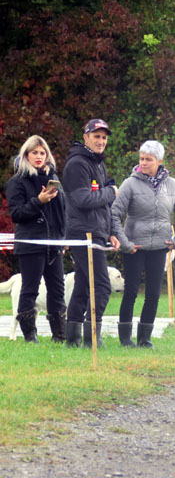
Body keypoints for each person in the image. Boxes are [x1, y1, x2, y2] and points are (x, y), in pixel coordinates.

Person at [111, 140, 175, 348]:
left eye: (148, 159)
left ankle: (144, 339)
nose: (144, 163)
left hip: (159, 248)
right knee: (130, 292)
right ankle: (125, 339)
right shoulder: (129, 184)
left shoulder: (173, 185)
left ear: (160, 161)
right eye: (141, 159)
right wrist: (124, 243)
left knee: (153, 294)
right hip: (134, 248)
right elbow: (114, 214)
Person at [63, 118, 120, 348]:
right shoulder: (77, 164)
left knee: (84, 285)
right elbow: (83, 199)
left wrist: (113, 232)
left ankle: (72, 338)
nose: (101, 141)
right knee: (103, 286)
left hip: (96, 233)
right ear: (85, 137)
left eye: (104, 137)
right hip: (82, 233)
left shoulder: (97, 163)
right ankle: (92, 338)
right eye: (96, 136)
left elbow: (105, 205)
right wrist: (111, 192)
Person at [5, 135, 67, 343]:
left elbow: (62, 214)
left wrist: (62, 239)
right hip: (31, 243)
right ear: (26, 155)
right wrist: (38, 201)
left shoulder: (54, 180)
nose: (39, 157)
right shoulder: (16, 182)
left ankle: (60, 335)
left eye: (42, 153)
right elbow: (17, 214)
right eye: (34, 153)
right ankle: (30, 336)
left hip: (54, 244)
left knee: (58, 289)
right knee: (30, 289)